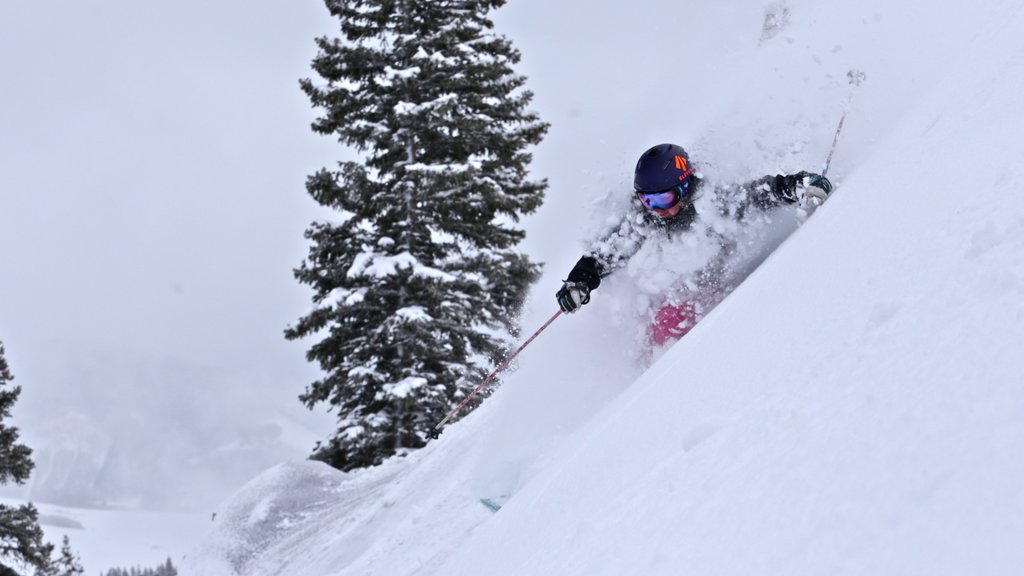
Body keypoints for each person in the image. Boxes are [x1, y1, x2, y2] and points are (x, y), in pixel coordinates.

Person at [555, 143, 832, 346]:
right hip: (694, 292)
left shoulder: (711, 203)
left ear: (684, 187)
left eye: (662, 200)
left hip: (731, 280)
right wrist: (579, 281)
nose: (655, 210)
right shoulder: (645, 219)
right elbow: (606, 254)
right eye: (647, 201)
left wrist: (796, 185)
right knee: (660, 325)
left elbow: (757, 194)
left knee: (673, 321)